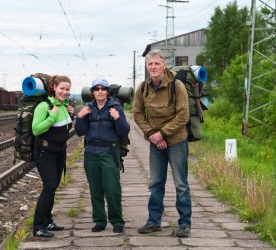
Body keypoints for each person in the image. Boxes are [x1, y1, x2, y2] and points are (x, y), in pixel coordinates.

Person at [133, 49, 192, 237]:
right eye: (150, 64)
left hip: (176, 140)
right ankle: (153, 221)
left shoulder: (178, 85)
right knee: (156, 182)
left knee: (180, 183)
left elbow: (183, 115)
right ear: (146, 66)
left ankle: (184, 223)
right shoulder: (143, 87)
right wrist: (151, 134)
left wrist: (162, 134)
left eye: (156, 63)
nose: (153, 67)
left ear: (164, 65)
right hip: (155, 141)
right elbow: (137, 114)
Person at [75, 78, 130, 233]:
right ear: (92, 92)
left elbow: (124, 131)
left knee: (112, 189)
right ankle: (99, 221)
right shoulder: (88, 109)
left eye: (103, 88)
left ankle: (117, 221)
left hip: (109, 153)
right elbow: (80, 132)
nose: (100, 91)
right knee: (95, 190)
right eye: (97, 88)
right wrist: (80, 117)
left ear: (107, 92)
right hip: (91, 154)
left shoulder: (116, 108)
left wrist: (117, 118)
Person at [32, 75, 74, 238]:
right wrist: (51, 116)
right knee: (49, 187)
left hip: (59, 153)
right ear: (54, 87)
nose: (64, 92)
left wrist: (72, 114)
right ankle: (38, 227)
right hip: (45, 153)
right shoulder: (44, 106)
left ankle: (48, 221)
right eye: (62, 88)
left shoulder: (64, 105)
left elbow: (63, 128)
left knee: (53, 187)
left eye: (67, 89)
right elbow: (36, 129)